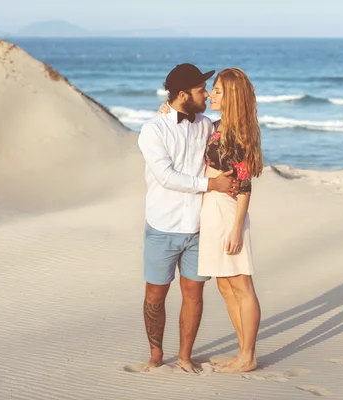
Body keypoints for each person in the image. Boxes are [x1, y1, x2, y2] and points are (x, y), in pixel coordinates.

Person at [133, 63, 238, 374]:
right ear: (182, 94)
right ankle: (155, 355)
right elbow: (166, 177)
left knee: (194, 294)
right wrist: (212, 184)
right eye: (200, 90)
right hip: (162, 226)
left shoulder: (206, 124)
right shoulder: (153, 130)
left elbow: (236, 121)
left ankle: (184, 357)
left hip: (197, 227)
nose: (206, 94)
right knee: (155, 294)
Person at [159, 68, 264, 373]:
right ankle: (242, 351)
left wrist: (236, 230)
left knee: (241, 284)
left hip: (228, 211)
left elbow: (244, 186)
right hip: (212, 210)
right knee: (225, 286)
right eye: (211, 90)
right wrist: (166, 111)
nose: (211, 95)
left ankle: (248, 355)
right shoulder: (217, 127)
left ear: (231, 96)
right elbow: (185, 124)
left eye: (217, 90)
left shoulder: (238, 133)